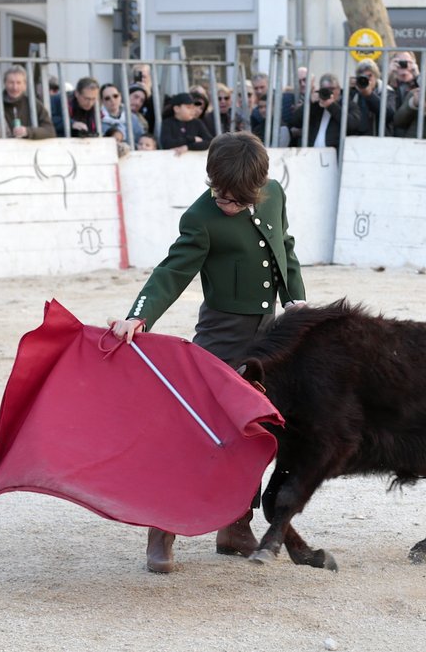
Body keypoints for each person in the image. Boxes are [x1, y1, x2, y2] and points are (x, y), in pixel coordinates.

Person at [107, 131, 307, 574]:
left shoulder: (274, 195)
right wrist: (139, 317)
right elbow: (173, 270)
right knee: (195, 430)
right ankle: (162, 529)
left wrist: (295, 297)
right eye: (218, 192)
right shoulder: (201, 216)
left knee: (257, 430)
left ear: (259, 186)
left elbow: (284, 248)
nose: (224, 202)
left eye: (234, 199)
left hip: (267, 337)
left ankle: (235, 526)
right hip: (221, 334)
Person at [285, 73, 358, 148]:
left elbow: (352, 125)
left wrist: (331, 106)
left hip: (335, 154)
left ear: (339, 89)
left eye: (332, 89)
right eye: (326, 90)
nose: (329, 93)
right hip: (311, 153)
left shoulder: (347, 105)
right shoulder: (316, 105)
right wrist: (309, 103)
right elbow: (295, 121)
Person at [2, 64, 56, 140]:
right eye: (11, 82)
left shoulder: (34, 104)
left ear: (25, 85)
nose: (15, 87)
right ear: (5, 83)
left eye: (18, 83)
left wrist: (28, 131)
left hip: (29, 150)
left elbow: (50, 131)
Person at [100, 82, 145, 147]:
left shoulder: (132, 117)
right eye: (107, 98)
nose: (112, 100)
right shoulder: (98, 119)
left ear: (120, 96)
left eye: (115, 96)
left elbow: (141, 139)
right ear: (102, 101)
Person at [348, 58, 384, 136]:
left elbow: (388, 114)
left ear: (376, 76)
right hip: (355, 137)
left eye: (369, 76)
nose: (366, 79)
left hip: (377, 137)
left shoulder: (385, 90)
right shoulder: (353, 92)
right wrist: (349, 91)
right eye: (363, 77)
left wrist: (369, 94)